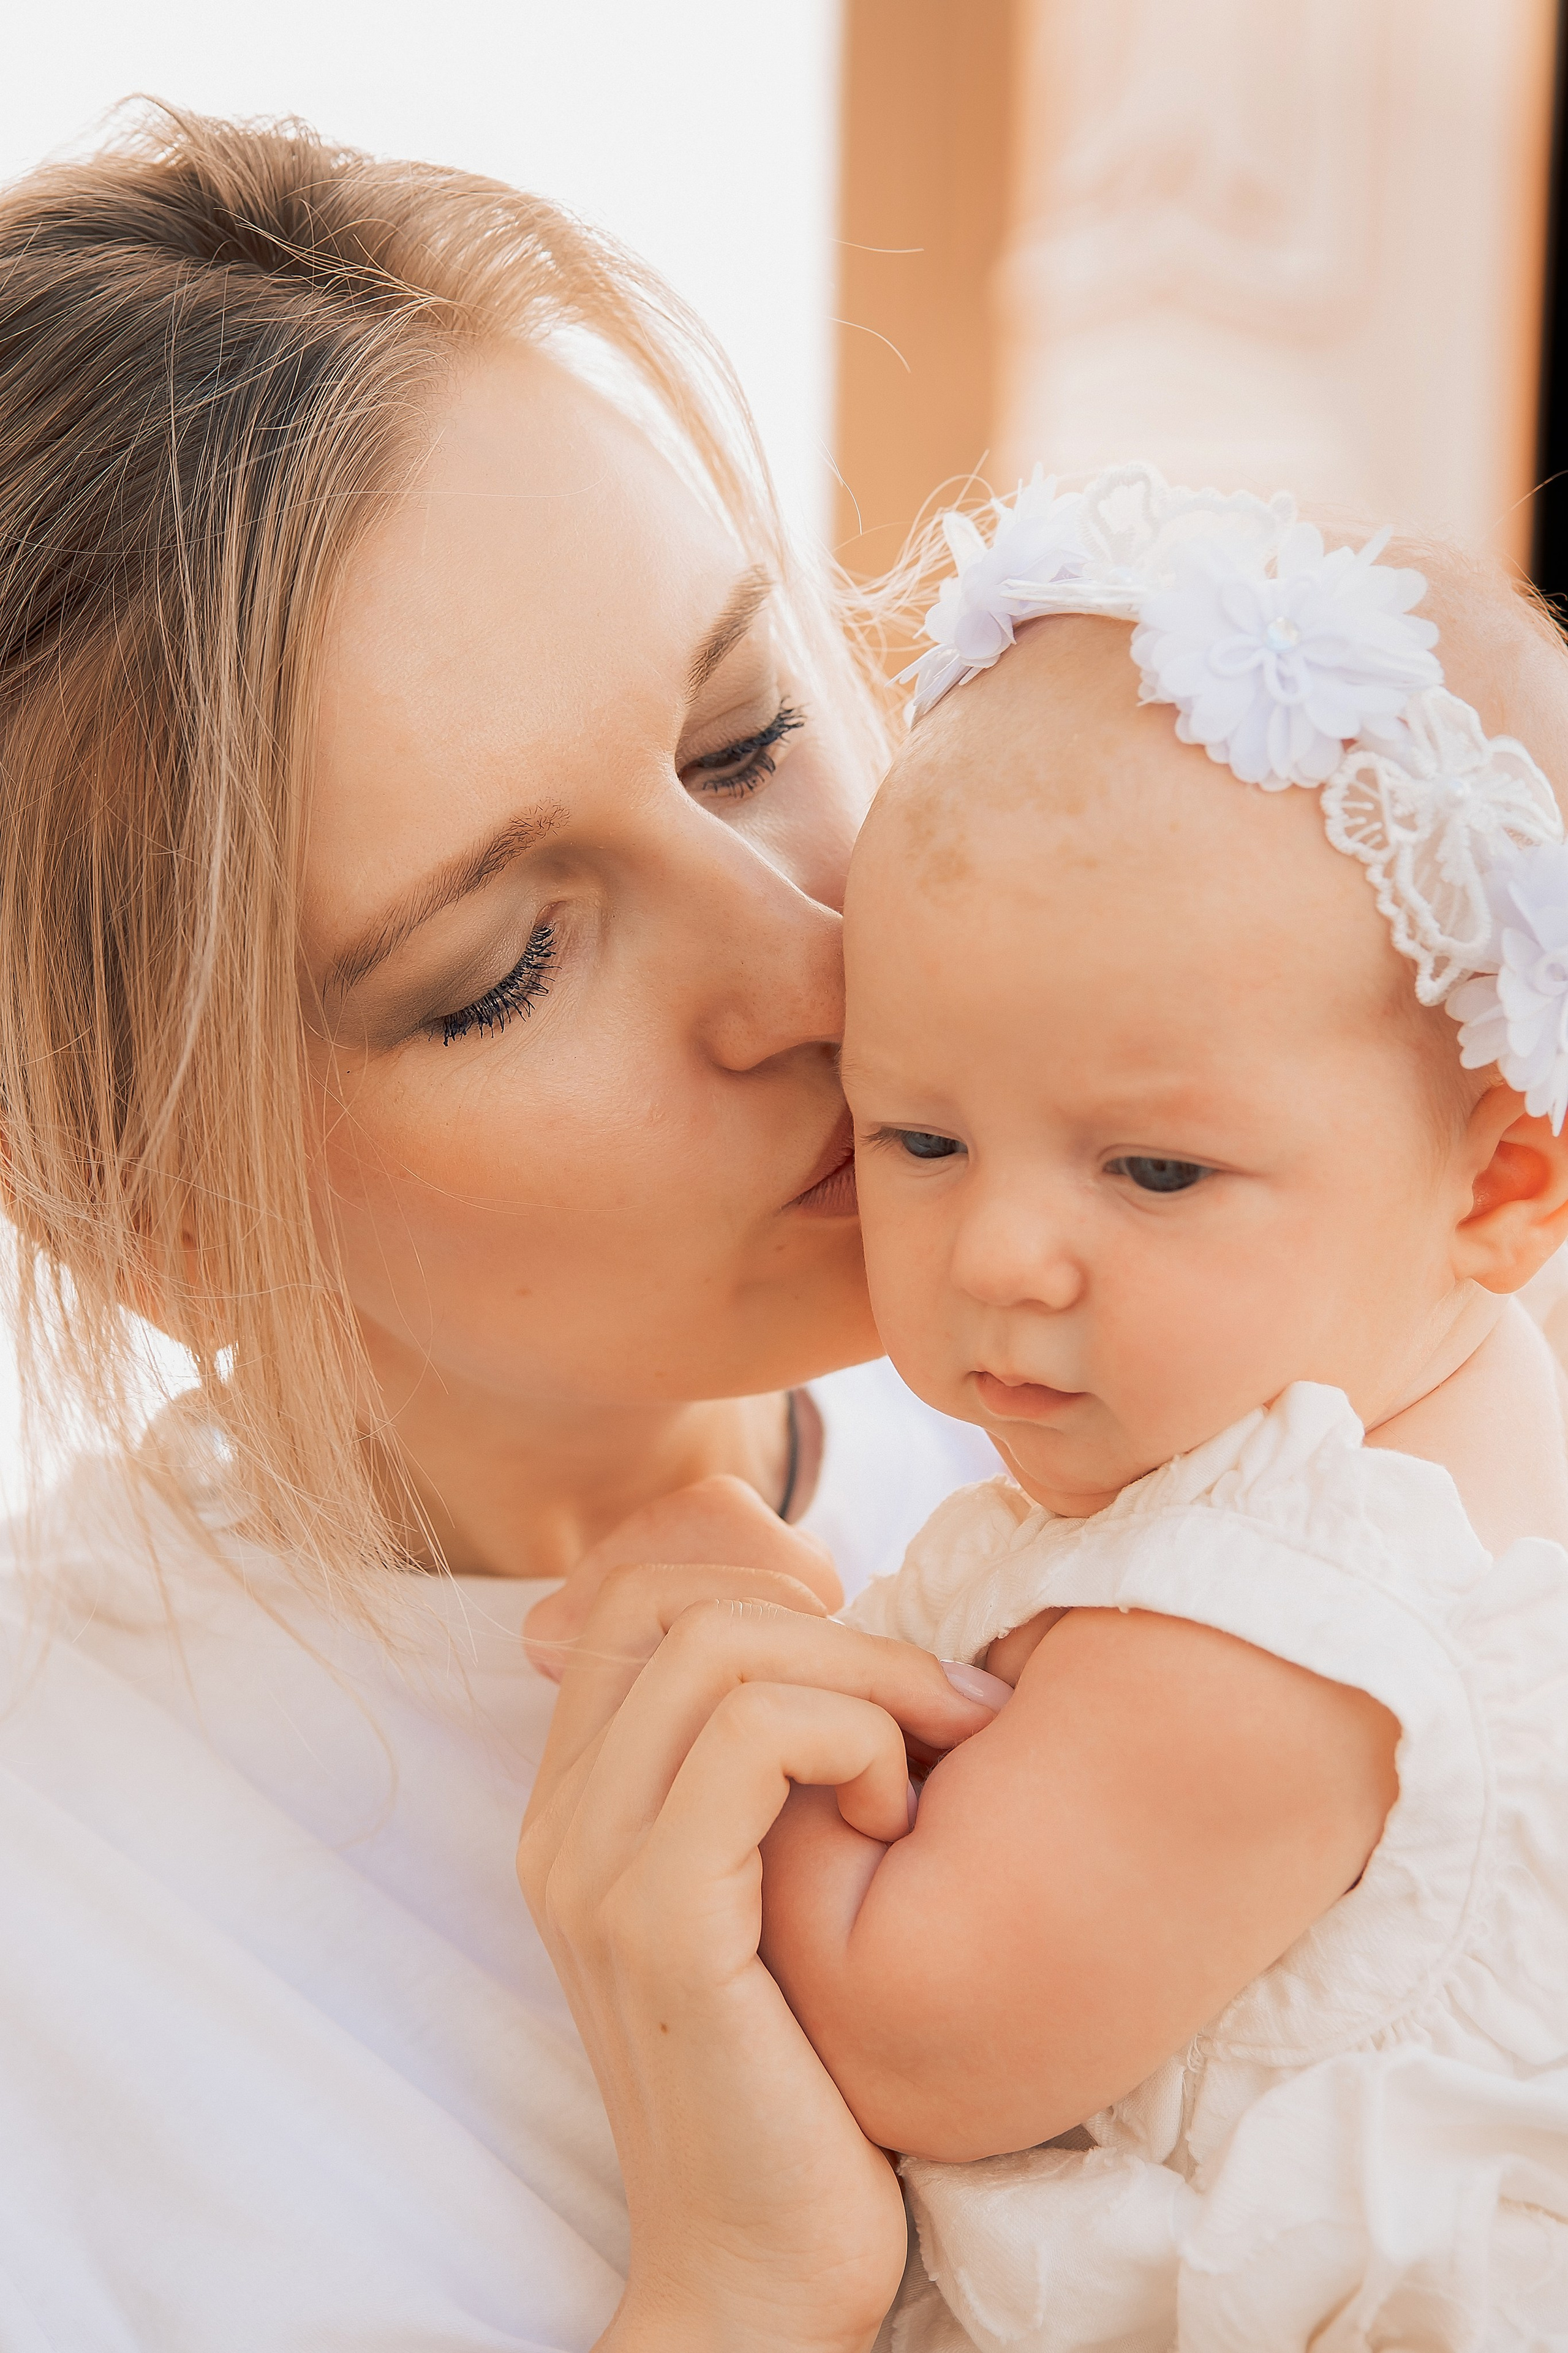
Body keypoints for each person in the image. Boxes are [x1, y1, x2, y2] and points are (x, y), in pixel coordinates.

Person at [0, 105, 998, 2349]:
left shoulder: (1262, 1393)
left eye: (745, 737)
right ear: (147, 1212)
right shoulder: (60, 1939)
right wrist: (738, 2289)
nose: (809, 971)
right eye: (508, 967)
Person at [723, 463, 1568, 2346]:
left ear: (1504, 1185)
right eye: (921, 1135)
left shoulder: (1275, 1615)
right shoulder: (1429, 1384)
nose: (1003, 1253)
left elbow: (912, 2032)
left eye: (1157, 1173)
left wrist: (743, 1653)